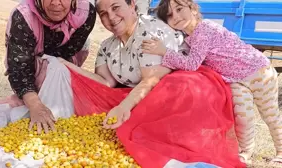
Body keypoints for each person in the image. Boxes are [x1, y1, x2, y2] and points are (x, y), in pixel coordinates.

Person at [141, 0, 282, 163]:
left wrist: (164, 51)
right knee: (243, 116)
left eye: (179, 9)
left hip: (257, 72)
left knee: (270, 115)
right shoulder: (187, 38)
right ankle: (246, 151)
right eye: (170, 15)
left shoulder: (204, 28)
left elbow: (191, 64)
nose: (176, 16)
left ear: (193, 9)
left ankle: (280, 151)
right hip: (234, 80)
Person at [59, 0, 188, 129]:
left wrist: (123, 108)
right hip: (138, 97)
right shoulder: (107, 46)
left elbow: (151, 80)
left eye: (115, 8)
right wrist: (66, 65)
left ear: (132, 4)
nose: (111, 17)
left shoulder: (149, 33)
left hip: (172, 98)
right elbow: (104, 82)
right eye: (103, 13)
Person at [4, 0, 96, 134]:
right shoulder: (23, 16)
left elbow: (68, 55)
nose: (55, 3)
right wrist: (36, 105)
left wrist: (55, 85)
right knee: (29, 102)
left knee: (58, 71)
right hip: (31, 64)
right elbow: (19, 69)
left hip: (63, 63)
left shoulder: (86, 13)